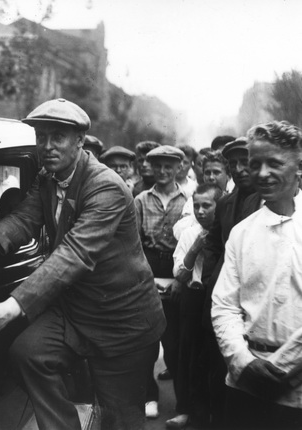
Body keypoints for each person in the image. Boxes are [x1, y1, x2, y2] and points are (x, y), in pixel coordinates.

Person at [0, 98, 165, 430]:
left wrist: (12, 306)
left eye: (57, 137)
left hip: (123, 322)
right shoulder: (48, 177)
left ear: (80, 142)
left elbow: (74, 254)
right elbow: (26, 217)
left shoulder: (106, 187)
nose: (46, 146)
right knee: (28, 354)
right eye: (41, 137)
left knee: (120, 419)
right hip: (76, 311)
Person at [212, 120, 302, 429]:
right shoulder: (241, 232)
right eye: (255, 164)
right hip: (246, 385)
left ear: (298, 164)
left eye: (274, 163)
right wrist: (243, 361)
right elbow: (224, 306)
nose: (262, 173)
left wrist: (284, 368)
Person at [200, 136, 262, 428]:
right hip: (222, 295)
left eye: (244, 161)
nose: (239, 169)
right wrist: (213, 275)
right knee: (216, 361)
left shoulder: (268, 202)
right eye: (233, 163)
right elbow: (212, 242)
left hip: (256, 299)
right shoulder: (225, 203)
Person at [134, 145, 187, 419]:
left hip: (178, 270)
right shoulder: (141, 200)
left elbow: (193, 241)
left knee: (176, 344)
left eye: (169, 166)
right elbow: (132, 242)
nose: (163, 172)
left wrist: (181, 278)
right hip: (148, 268)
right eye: (158, 166)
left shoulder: (188, 199)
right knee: (147, 343)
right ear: (151, 168)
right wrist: (146, 277)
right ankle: (149, 396)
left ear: (179, 168)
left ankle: (184, 404)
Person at [167, 183, 223, 429]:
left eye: (206, 205)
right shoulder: (190, 233)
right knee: (188, 352)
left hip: (217, 299)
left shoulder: (227, 233)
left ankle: (213, 411)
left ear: (218, 207)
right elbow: (179, 274)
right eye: (196, 205)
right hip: (193, 296)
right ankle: (186, 409)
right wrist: (195, 248)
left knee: (213, 356)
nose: (200, 211)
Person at [173, 150, 230, 241]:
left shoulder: (233, 199)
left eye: (216, 172)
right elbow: (179, 231)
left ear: (228, 175)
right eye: (207, 173)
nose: (211, 177)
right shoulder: (193, 200)